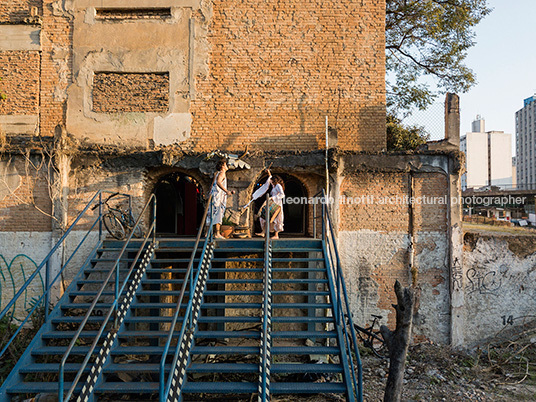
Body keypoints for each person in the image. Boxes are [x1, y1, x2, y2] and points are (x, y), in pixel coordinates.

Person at [208, 158, 235, 239]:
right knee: (218, 214)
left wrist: (209, 193)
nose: (227, 166)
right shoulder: (222, 173)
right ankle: (217, 234)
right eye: (226, 164)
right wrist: (226, 191)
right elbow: (219, 182)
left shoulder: (217, 173)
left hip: (215, 195)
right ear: (223, 166)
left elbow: (213, 184)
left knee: (212, 213)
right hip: (218, 197)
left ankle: (207, 234)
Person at [254, 170, 285, 239]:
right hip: (272, 202)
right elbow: (270, 180)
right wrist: (269, 173)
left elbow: (282, 194)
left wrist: (273, 198)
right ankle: (263, 232)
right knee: (265, 217)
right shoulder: (274, 186)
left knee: (275, 219)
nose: (271, 182)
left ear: (275, 180)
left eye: (272, 181)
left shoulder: (278, 186)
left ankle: (276, 235)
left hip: (276, 203)